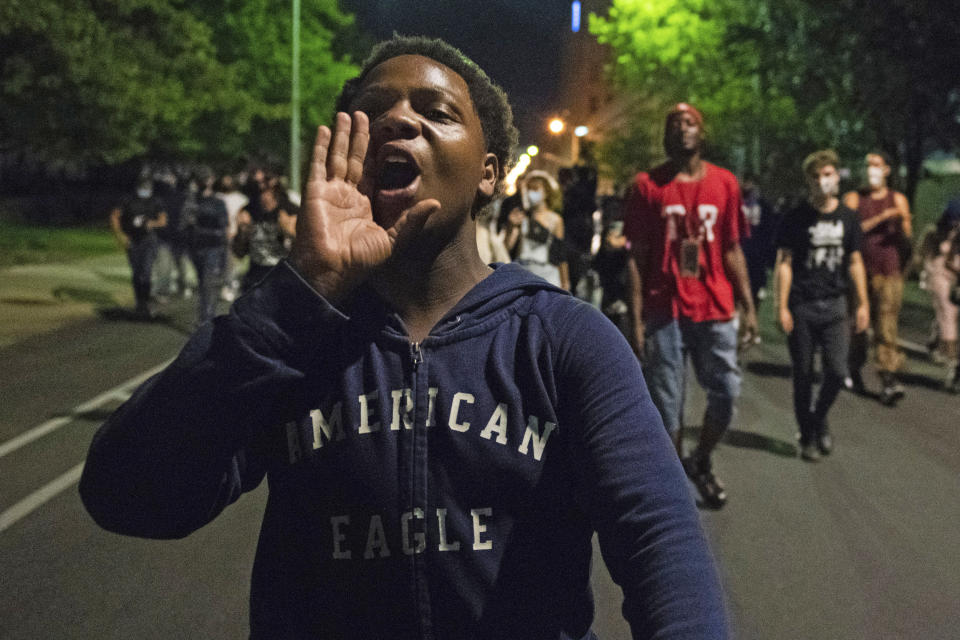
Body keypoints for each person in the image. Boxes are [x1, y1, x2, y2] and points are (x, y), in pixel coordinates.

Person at [80, 35, 727, 639]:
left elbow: (659, 542)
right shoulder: (292, 337)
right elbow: (129, 497)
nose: (400, 120)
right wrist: (298, 293)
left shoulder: (564, 338)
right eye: (373, 110)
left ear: (489, 173)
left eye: (438, 111)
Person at [624, 102, 757, 509]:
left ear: (702, 132)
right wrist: (636, 318)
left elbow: (732, 247)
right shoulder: (647, 186)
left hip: (715, 307)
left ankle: (699, 459)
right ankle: (674, 491)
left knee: (726, 394)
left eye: (690, 122)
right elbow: (637, 255)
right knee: (667, 408)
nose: (682, 129)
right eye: (674, 123)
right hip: (665, 309)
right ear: (666, 135)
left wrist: (748, 305)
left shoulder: (725, 184)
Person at [775, 150, 870, 462]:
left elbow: (855, 262)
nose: (822, 181)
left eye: (827, 174)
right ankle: (807, 435)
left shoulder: (848, 218)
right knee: (802, 374)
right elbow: (785, 262)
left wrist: (862, 304)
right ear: (808, 181)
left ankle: (818, 419)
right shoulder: (795, 218)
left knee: (837, 372)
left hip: (834, 304)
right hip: (802, 303)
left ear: (837, 177)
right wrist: (782, 306)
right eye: (815, 176)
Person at [843, 152, 912, 404]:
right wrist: (881, 218)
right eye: (867, 165)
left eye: (876, 165)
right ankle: (853, 368)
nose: (871, 170)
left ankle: (888, 379)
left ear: (886, 170)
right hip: (860, 271)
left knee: (886, 327)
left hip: (889, 270)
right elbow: (849, 232)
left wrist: (902, 225)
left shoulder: (898, 199)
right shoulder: (854, 199)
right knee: (859, 326)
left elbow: (907, 239)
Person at [109, 177, 168, 318]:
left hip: (148, 240)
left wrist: (151, 224)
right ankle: (139, 302)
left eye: (147, 188)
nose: (145, 191)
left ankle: (145, 303)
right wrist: (120, 236)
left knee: (146, 271)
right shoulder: (128, 200)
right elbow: (114, 216)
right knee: (136, 272)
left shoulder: (155, 201)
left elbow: (163, 220)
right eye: (143, 188)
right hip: (132, 240)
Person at [504, 170, 571, 290]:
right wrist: (510, 227)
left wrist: (565, 281)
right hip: (523, 272)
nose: (531, 193)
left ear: (546, 192)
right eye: (529, 189)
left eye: (535, 189)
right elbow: (507, 247)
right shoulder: (521, 216)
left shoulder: (555, 219)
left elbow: (560, 252)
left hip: (546, 274)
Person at [921, 198, 960, 391]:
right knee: (948, 313)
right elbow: (943, 261)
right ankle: (953, 363)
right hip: (942, 277)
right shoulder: (938, 234)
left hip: (953, 277)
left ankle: (936, 341)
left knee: (946, 314)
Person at [184, 170, 230, 324]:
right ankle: (205, 316)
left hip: (213, 246)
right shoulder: (192, 201)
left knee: (208, 282)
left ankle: (206, 318)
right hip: (197, 246)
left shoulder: (218, 202)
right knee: (202, 281)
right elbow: (186, 222)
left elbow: (223, 225)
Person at [232, 184, 297, 292]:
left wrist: (289, 233)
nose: (263, 199)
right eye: (260, 194)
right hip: (256, 274)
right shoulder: (249, 215)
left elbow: (302, 252)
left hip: (281, 274)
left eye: (267, 195)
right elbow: (239, 253)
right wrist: (243, 233)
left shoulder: (289, 215)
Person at [214, 174, 250, 301]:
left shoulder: (241, 199)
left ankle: (230, 287)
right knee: (221, 265)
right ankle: (224, 287)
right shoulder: (217, 198)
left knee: (233, 265)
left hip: (236, 236)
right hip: (220, 237)